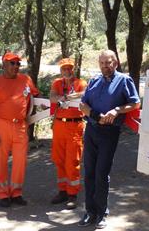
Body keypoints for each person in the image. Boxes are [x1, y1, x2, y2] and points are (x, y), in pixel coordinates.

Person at [78, 50, 140, 229]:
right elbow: (83, 104)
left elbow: (135, 103)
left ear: (116, 63)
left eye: (109, 62)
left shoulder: (124, 80)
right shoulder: (94, 81)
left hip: (109, 132)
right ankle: (89, 212)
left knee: (101, 173)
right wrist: (93, 114)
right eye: (102, 63)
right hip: (91, 130)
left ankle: (101, 213)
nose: (105, 66)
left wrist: (117, 110)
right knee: (89, 172)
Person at [0, 52, 39, 207]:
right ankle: (3, 194)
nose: (16, 66)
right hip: (1, 125)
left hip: (21, 126)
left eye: (18, 64)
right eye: (12, 63)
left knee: (20, 161)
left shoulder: (26, 80)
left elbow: (36, 96)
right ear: (4, 65)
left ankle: (16, 193)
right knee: (1, 161)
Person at [49, 58, 87, 210]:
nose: (67, 71)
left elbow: (83, 94)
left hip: (74, 125)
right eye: (64, 68)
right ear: (60, 70)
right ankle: (63, 191)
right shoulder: (57, 83)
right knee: (59, 159)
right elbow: (52, 97)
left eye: (69, 68)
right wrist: (60, 98)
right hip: (59, 125)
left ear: (73, 68)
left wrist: (67, 97)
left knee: (72, 160)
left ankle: (72, 194)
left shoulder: (80, 83)